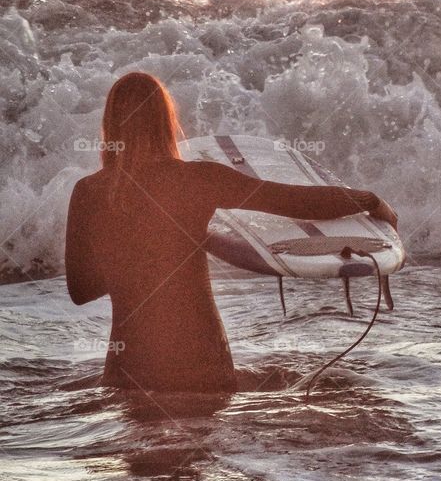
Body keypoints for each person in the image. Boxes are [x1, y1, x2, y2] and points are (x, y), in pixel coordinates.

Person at [65, 72, 397, 393]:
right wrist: (369, 200)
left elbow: (81, 290)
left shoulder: (88, 192)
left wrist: (136, 255)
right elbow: (292, 201)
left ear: (110, 125)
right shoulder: (199, 179)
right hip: (202, 365)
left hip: (130, 370)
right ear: (165, 121)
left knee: (140, 445)